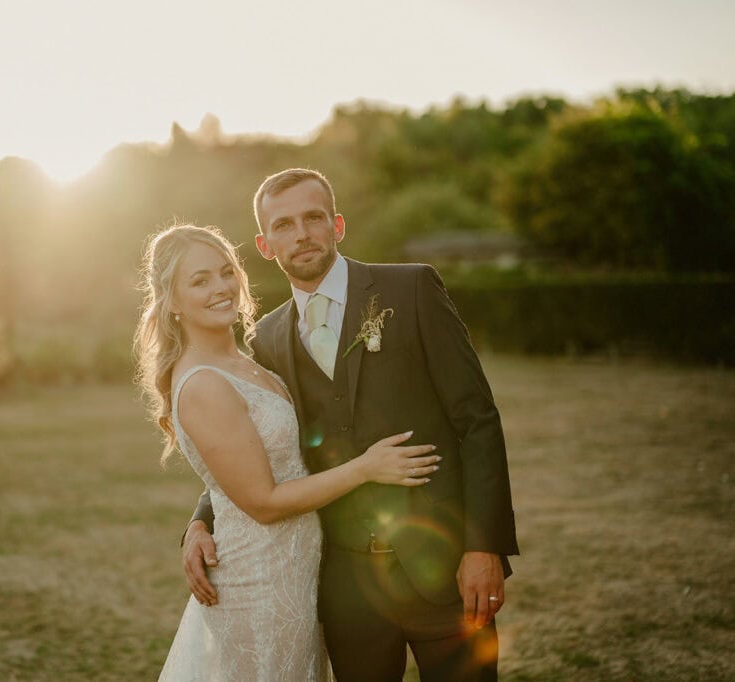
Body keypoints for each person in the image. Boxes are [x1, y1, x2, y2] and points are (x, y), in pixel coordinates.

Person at [182, 169, 519, 681]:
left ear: (336, 224)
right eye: (284, 225)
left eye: (313, 218)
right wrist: (199, 521)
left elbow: (477, 419)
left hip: (444, 567)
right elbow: (262, 445)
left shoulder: (410, 289)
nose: (302, 234)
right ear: (265, 244)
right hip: (344, 584)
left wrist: (483, 546)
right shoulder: (266, 339)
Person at [135, 224, 443, 681]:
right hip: (259, 584)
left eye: (225, 272)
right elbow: (262, 501)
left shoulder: (250, 358)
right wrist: (366, 468)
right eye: (199, 281)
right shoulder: (202, 384)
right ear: (172, 302)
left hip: (298, 575)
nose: (220, 288)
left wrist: (200, 521)